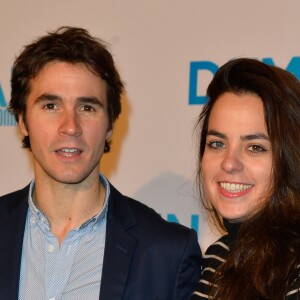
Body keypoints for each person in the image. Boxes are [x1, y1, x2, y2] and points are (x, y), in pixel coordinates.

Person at [0, 26, 202, 299]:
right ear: (22, 120)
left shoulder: (166, 253)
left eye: (87, 107)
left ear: (110, 126)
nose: (70, 127)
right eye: (51, 106)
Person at [192, 58, 300, 299]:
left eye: (255, 147)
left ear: (291, 158)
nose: (229, 163)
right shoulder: (218, 255)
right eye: (217, 143)